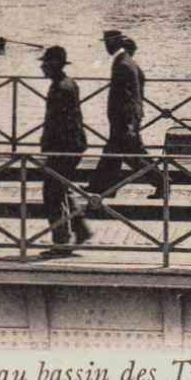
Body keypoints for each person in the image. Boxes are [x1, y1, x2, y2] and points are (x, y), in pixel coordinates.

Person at [88, 31, 167, 200]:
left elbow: (127, 96)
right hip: (125, 118)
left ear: (117, 44)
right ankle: (101, 187)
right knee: (112, 153)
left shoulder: (123, 64)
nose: (106, 47)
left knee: (135, 156)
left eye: (108, 43)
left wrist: (130, 123)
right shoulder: (128, 62)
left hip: (124, 119)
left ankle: (162, 183)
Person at [39, 45, 93, 254]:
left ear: (53, 64)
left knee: (52, 194)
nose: (42, 67)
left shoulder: (61, 88)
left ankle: (61, 241)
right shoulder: (67, 84)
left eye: (45, 63)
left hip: (63, 148)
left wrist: (51, 151)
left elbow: (59, 124)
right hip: (71, 145)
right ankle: (79, 229)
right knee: (60, 189)